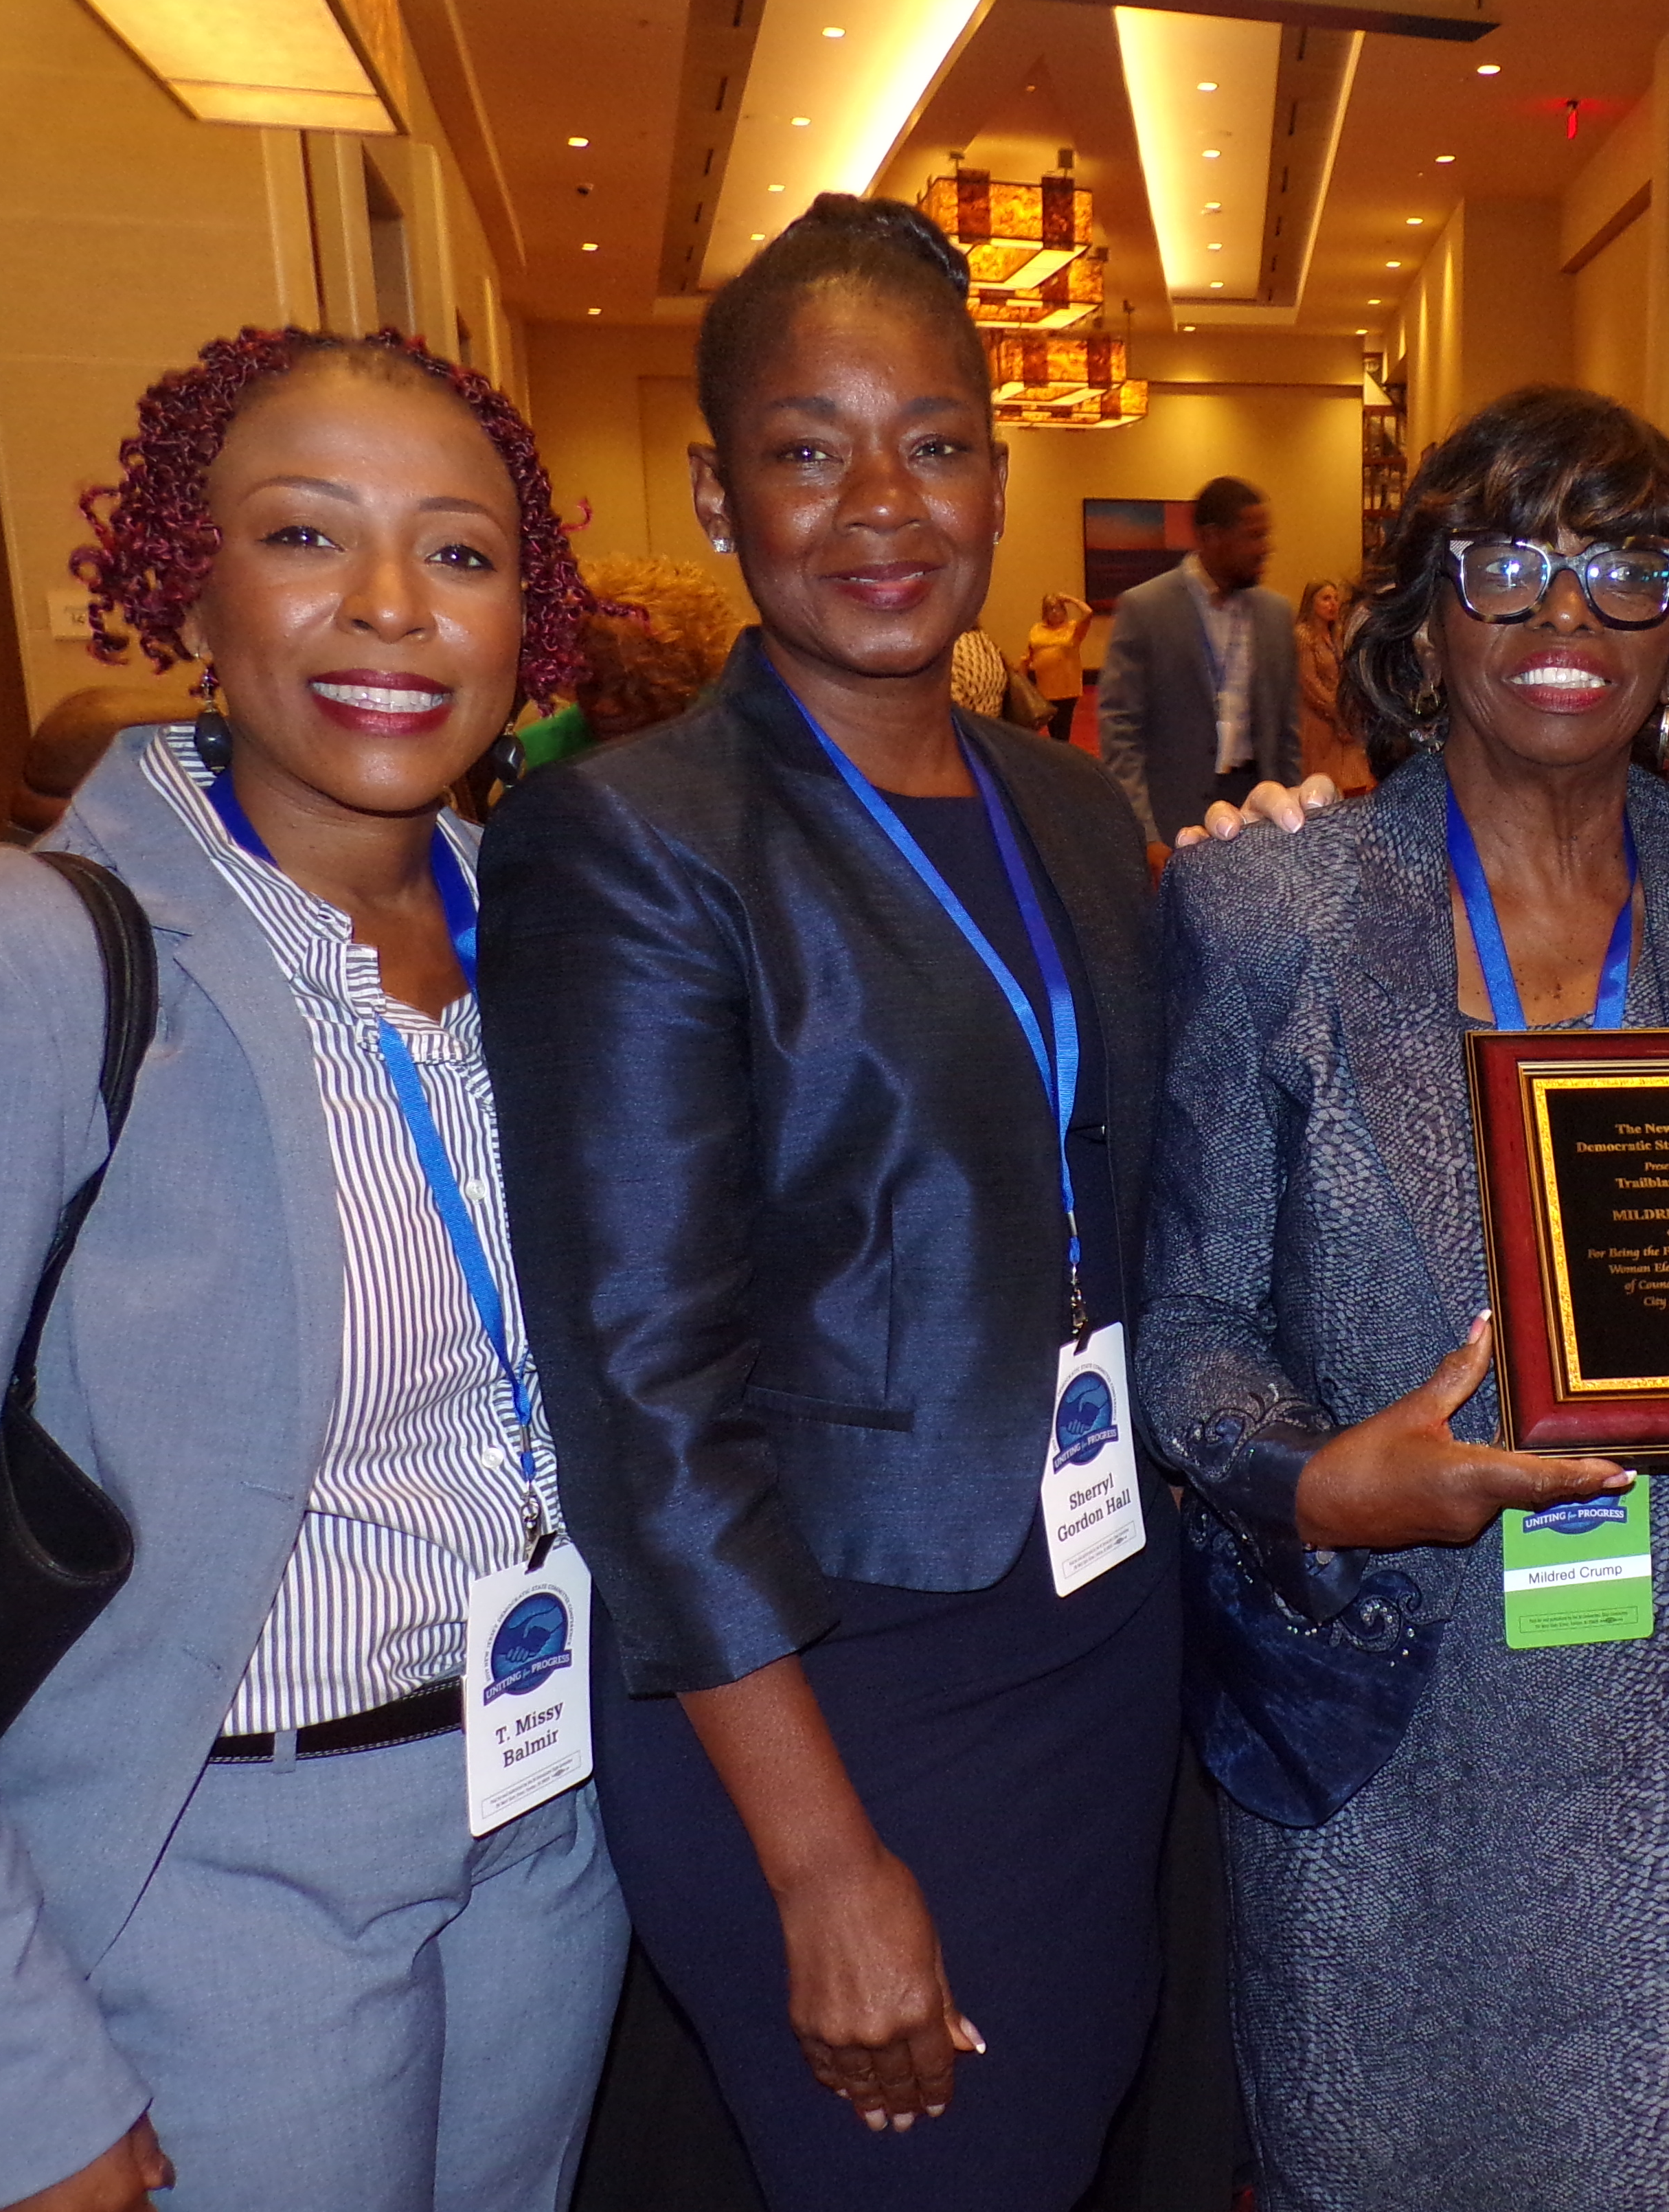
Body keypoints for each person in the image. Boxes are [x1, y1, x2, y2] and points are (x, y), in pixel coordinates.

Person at [1141, 384, 1669, 2212]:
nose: (1566, 621)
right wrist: (1323, 1480)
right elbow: (1186, 1332)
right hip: (1378, 1701)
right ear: (1422, 615)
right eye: (1506, 567)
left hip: (1667, 1702)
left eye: (1627, 570)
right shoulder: (1270, 909)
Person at [0, 328, 623, 2212]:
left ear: (529, 621)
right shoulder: (20, 964)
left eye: (457, 553)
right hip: (213, 1872)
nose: (388, 608)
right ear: (184, 580)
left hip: (544, 1832)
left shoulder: (561, 937)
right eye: (304, 534)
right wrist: (4, 2082)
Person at [477, 194, 1182, 2212]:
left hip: (1091, 1630)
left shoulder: (1069, 807)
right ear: (716, 492)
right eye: (808, 447)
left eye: (935, 441)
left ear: (997, 467)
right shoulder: (633, 840)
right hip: (831, 1685)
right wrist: (818, 1855)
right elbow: (645, 1392)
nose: (882, 502)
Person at [1098, 475, 1299, 854]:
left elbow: (1287, 734)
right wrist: (1145, 833)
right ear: (1211, 537)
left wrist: (1294, 826)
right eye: (1252, 536)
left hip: (1258, 811)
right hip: (1176, 818)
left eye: (1265, 536)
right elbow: (1121, 733)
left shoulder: (1276, 616)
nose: (1265, 549)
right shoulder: (1146, 610)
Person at [517, 554, 741, 769]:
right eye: (591, 686)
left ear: (686, 684)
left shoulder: (735, 742)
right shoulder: (538, 754)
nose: (606, 707)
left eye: (633, 690)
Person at [1289, 574, 1373, 794]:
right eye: (1326, 599)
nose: (1333, 604)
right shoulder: (1303, 636)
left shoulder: (1337, 634)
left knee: (1355, 782)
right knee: (1322, 785)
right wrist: (1337, 713)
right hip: (1319, 720)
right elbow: (1309, 684)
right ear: (1311, 603)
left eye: (1336, 599)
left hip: (1344, 717)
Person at [1025, 590, 1089, 740]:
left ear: (1064, 611)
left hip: (1067, 689)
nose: (1054, 612)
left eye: (1058, 608)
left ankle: (1062, 759)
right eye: (1050, 609)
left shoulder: (1073, 628)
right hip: (1045, 689)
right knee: (1052, 731)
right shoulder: (1037, 630)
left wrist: (1069, 598)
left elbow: (1088, 612)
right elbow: (1027, 656)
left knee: (1062, 731)